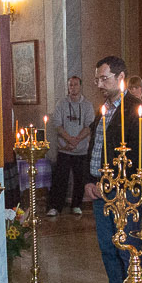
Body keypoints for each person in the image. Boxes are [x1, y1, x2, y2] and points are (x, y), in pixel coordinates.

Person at [82, 57, 142, 283]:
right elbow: (94, 149)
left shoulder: (135, 110)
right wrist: (89, 183)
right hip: (99, 188)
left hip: (124, 190)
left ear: (121, 78)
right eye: (97, 79)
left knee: (127, 244)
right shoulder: (104, 110)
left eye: (104, 78)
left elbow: (137, 156)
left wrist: (112, 185)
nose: (99, 84)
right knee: (107, 245)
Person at [47, 75, 95, 217]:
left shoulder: (87, 105)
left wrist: (77, 140)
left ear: (80, 86)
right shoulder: (61, 103)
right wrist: (69, 140)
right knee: (60, 179)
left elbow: (89, 125)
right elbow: (57, 124)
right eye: (70, 85)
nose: (73, 87)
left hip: (81, 150)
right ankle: (55, 206)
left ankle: (76, 205)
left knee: (80, 179)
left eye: (75, 85)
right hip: (64, 149)